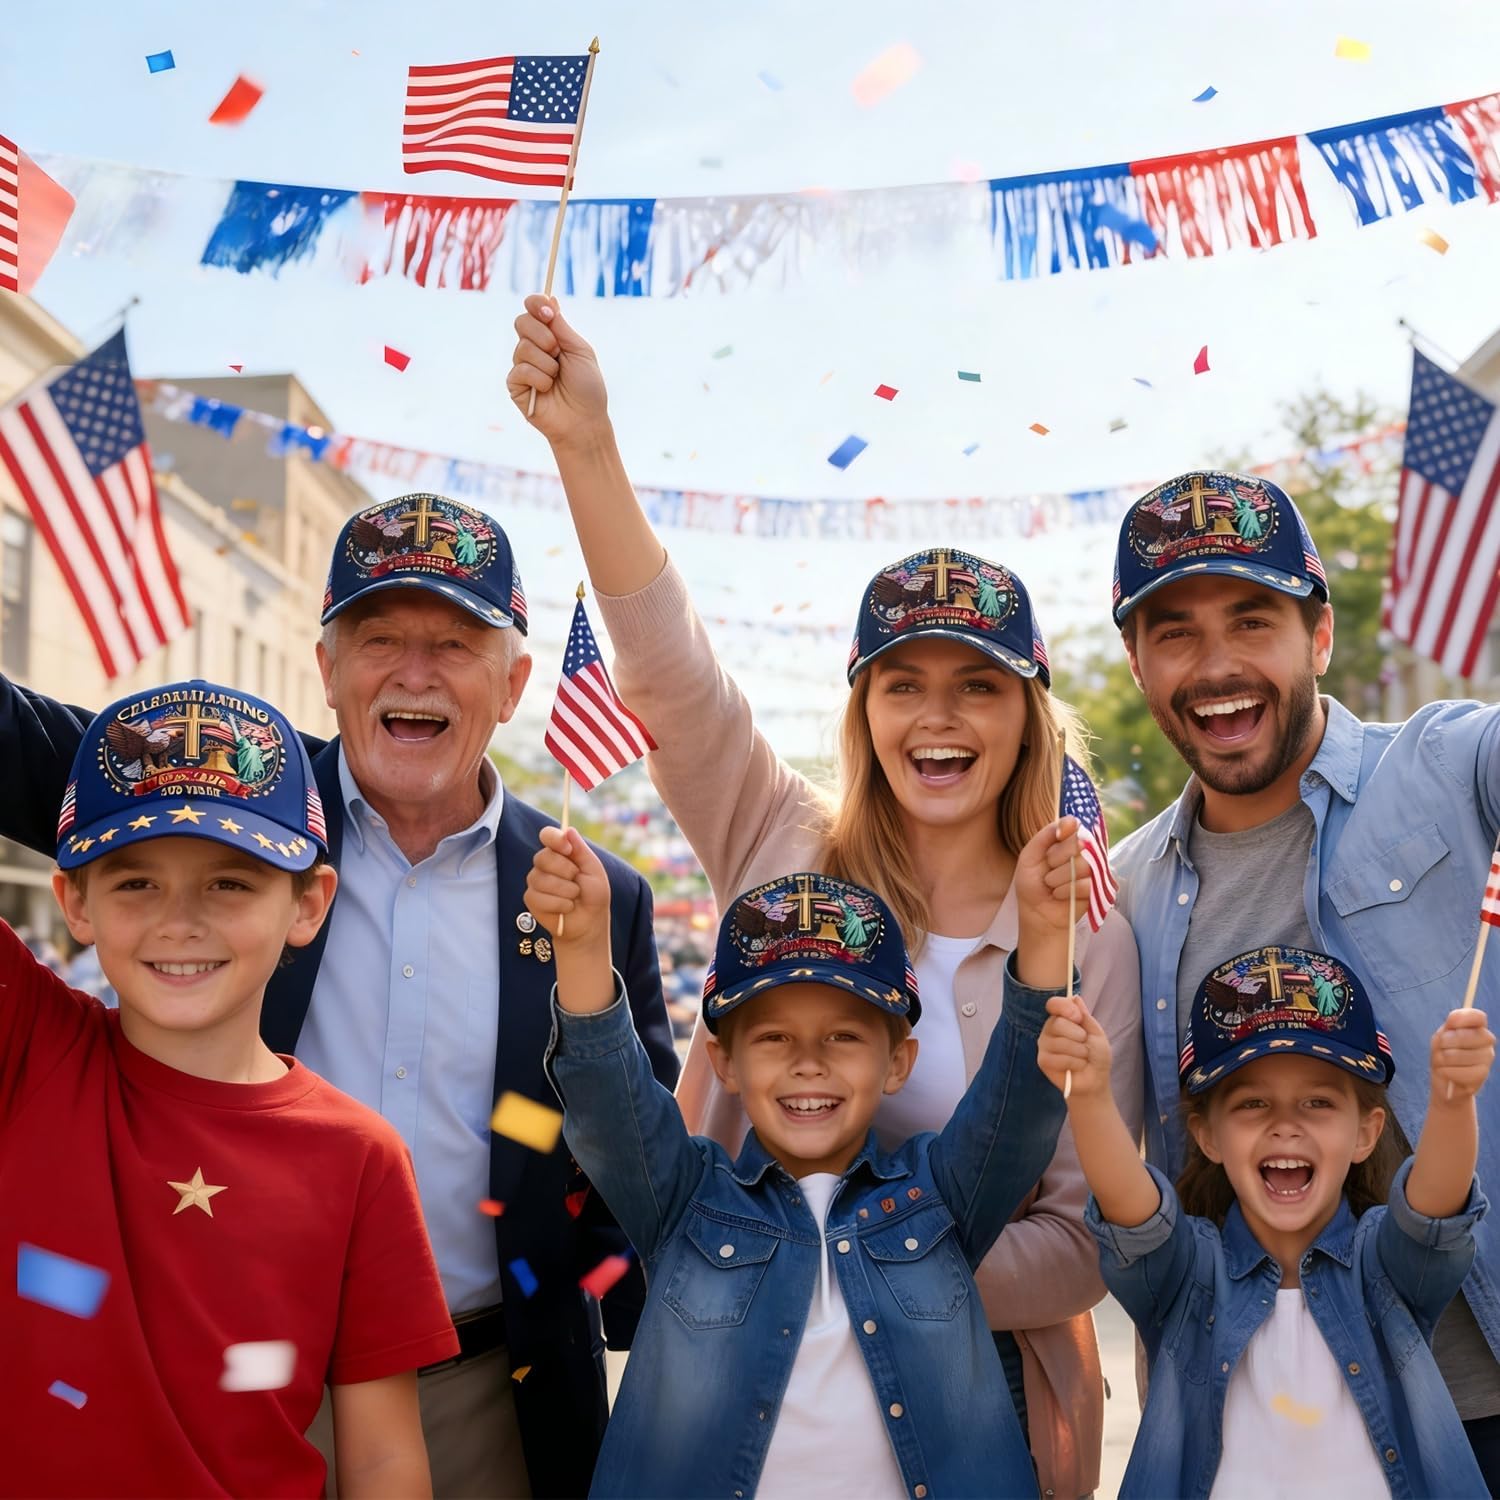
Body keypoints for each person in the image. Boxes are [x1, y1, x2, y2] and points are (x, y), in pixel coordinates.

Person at [509, 295, 1144, 1498]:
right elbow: (670, 673)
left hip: (990, 1393)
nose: (939, 717)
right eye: (902, 685)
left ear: (1028, 719)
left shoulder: (1080, 920)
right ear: (863, 712)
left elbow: (1088, 1238)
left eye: (979, 687)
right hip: (735, 1361)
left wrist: (864, 1269)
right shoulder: (784, 837)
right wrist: (585, 445)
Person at [0, 497, 678, 1498]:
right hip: (213, 1373)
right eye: (379, 638)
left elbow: (637, 1176)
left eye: (453, 641)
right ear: (325, 671)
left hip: (489, 1387)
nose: (414, 671)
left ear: (514, 683)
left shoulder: (595, 892)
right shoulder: (234, 800)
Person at [1108, 468, 1500, 1479]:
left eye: (1252, 620)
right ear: (1138, 663)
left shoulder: (1451, 768)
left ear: (1319, 637)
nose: (1217, 665)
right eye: (1175, 631)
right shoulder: (1125, 894)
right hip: (1265, 1432)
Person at [526, 811, 1087, 1498]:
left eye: (844, 1037)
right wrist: (582, 944)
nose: (808, 1064)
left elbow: (1020, 1103)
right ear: (724, 1062)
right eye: (774, 1040)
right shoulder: (684, 1199)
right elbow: (606, 1099)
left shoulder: (941, 1196)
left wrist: (1046, 934)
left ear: (897, 1062)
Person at [2, 678, 458, 1497]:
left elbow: (385, 1456)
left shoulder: (362, 1157)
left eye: (230, 882)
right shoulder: (27, 1043)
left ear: (309, 903)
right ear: (73, 901)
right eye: (135, 881)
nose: (181, 919)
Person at [1037, 942, 1493, 1497]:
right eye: (1253, 1104)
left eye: (1318, 1103)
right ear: (1207, 1135)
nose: (1285, 1125)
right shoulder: (1189, 1275)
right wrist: (1087, 1094)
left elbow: (1435, 1209)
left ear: (1366, 1133)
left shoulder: (1384, 1265)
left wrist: (1453, 1101)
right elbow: (1132, 1214)